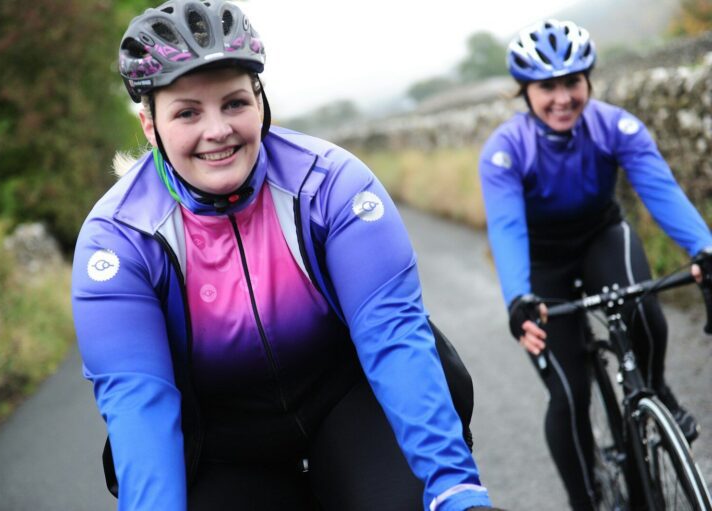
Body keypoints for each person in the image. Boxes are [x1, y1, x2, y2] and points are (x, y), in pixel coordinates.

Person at [71, 1, 495, 510]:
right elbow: (140, 405)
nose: (217, 130)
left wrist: (455, 488)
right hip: (224, 445)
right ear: (150, 124)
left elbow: (394, 336)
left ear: (260, 99)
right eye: (187, 112)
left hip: (348, 405)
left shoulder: (330, 184)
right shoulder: (119, 239)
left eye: (234, 103)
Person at [478, 18, 712, 510]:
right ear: (525, 91)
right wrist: (518, 298)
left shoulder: (615, 127)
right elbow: (507, 228)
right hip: (542, 262)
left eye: (572, 82)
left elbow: (660, 189)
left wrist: (703, 248)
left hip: (600, 236)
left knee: (645, 315)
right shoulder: (506, 150)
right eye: (548, 87)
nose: (562, 98)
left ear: (588, 81)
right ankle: (585, 502)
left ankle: (656, 391)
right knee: (569, 395)